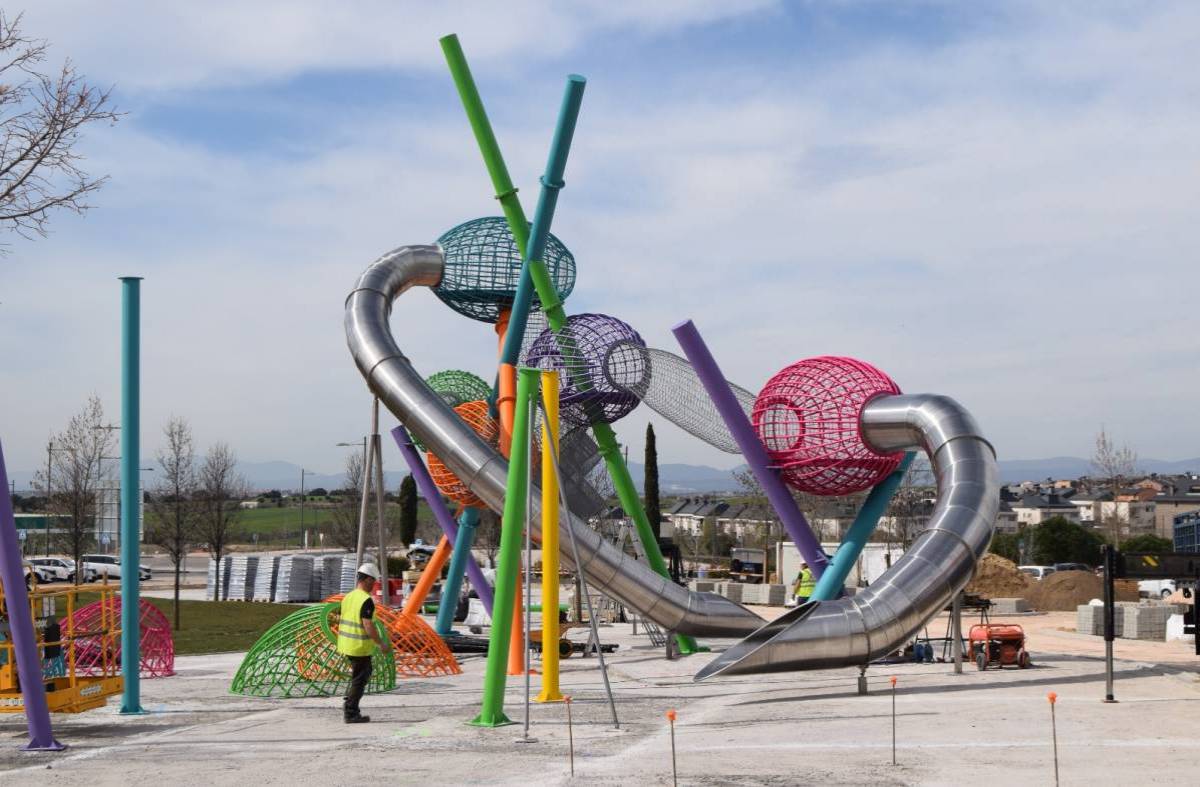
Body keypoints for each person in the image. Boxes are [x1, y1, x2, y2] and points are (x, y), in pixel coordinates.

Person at [336, 562, 391, 724]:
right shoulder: (366, 600)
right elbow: (368, 625)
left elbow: (340, 618)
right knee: (361, 678)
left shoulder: (349, 596)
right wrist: (380, 643)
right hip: (358, 646)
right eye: (373, 581)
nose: (374, 585)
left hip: (346, 644)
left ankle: (350, 702)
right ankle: (351, 712)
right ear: (366, 579)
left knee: (359, 676)